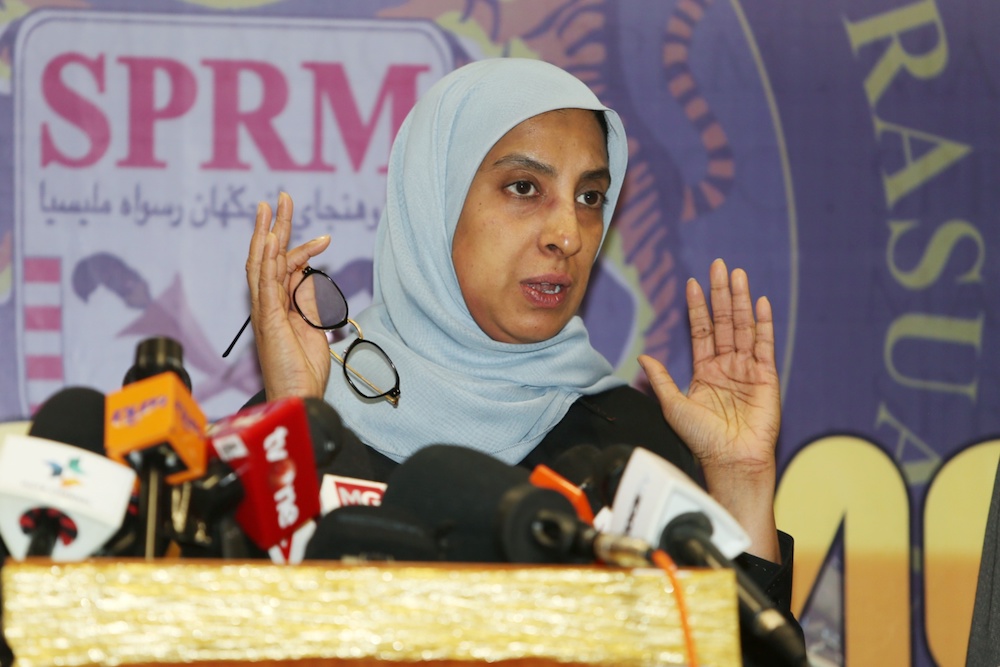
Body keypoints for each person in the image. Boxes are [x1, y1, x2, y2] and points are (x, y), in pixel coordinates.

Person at [241, 57, 796, 650]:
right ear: (438, 198)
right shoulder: (303, 412)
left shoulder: (632, 449)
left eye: (589, 196)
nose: (570, 234)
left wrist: (739, 481)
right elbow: (222, 636)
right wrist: (294, 418)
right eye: (525, 188)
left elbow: (740, 656)